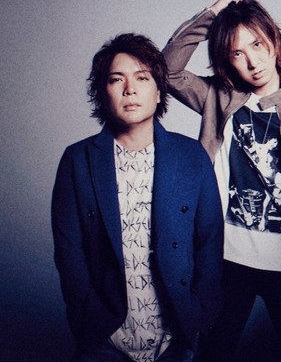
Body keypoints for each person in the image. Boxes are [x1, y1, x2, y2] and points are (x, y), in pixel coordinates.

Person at [162, 0, 281, 361]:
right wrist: (212, 13)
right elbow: (167, 71)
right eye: (237, 53)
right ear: (226, 60)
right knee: (214, 353)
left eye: (257, 44)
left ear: (274, 39)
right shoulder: (217, 95)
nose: (253, 62)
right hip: (226, 257)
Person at [52, 34, 223, 362]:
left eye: (142, 78)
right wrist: (87, 314)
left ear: (158, 92)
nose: (129, 89)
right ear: (103, 92)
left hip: (177, 335)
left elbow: (210, 241)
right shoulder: (77, 160)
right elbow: (69, 251)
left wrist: (200, 312)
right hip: (104, 337)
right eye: (116, 79)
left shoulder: (191, 156)